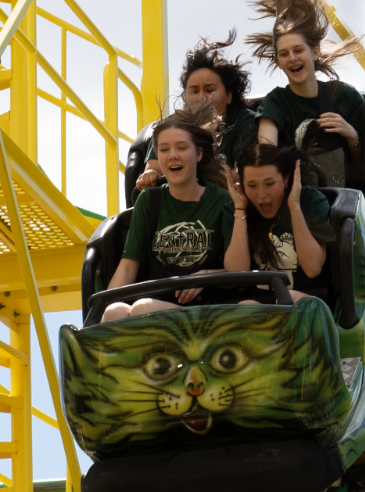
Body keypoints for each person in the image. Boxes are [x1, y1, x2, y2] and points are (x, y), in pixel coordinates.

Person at [103, 109, 231, 321]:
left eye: (181, 147)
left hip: (208, 307)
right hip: (161, 299)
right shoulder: (148, 201)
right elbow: (128, 266)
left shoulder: (222, 200)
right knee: (113, 311)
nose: (172, 155)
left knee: (142, 308)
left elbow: (241, 269)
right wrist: (103, 306)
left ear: (198, 154)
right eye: (164, 149)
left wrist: (206, 275)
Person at [244, 0, 365, 188]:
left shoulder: (345, 96)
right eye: (284, 54)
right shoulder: (276, 102)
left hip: (343, 204)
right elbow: (267, 148)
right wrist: (269, 155)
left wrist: (351, 135)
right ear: (279, 61)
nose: (292, 58)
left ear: (315, 51)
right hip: (300, 200)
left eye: (298, 50)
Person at [137, 31, 257, 189]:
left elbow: (250, 175)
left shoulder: (245, 121)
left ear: (229, 96)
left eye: (209, 90)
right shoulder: (171, 125)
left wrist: (195, 172)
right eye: (194, 91)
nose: (201, 97)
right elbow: (154, 168)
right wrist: (150, 175)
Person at [224, 142, 336, 304]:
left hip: (306, 300)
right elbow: (237, 273)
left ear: (286, 178)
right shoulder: (233, 209)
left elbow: (312, 268)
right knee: (247, 305)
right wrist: (240, 209)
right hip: (257, 305)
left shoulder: (311, 201)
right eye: (252, 185)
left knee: (287, 299)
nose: (261, 195)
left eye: (269, 184)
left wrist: (294, 207)